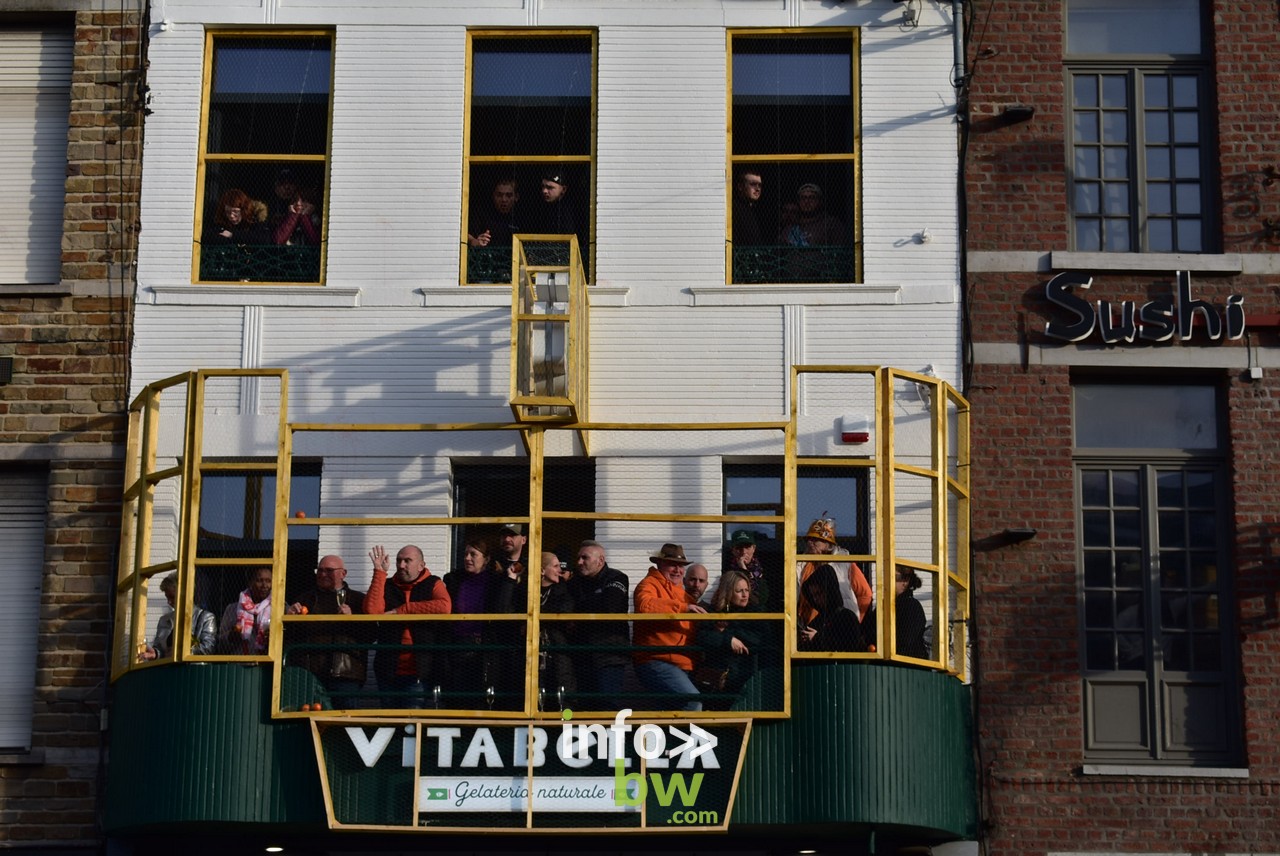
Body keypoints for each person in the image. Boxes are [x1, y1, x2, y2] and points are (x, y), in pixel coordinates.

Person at [442, 536, 524, 709]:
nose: (467, 558)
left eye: (473, 554)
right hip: (457, 646)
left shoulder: (496, 581)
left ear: (486, 559)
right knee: (457, 696)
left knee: (482, 696)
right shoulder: (453, 579)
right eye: (465, 554)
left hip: (484, 648)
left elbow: (501, 608)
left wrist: (509, 580)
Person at [365, 545, 451, 708]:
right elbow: (372, 611)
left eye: (407, 561)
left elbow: (444, 606)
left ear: (421, 565)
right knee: (390, 723)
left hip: (420, 671)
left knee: (412, 725)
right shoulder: (388, 584)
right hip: (388, 669)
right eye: (399, 561)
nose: (401, 565)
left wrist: (404, 610)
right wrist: (379, 573)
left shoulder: (433, 583)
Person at [285, 554, 367, 708]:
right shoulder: (305, 599)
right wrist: (290, 620)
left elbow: (371, 635)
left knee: (344, 723)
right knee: (308, 723)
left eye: (329, 571)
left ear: (343, 573)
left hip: (345, 675)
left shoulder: (358, 600)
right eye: (320, 570)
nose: (323, 575)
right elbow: (290, 637)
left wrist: (352, 619)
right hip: (309, 675)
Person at [633, 543, 706, 712]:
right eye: (672, 565)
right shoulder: (648, 584)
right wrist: (683, 608)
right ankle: (691, 739)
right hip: (656, 660)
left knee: (668, 712)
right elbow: (645, 605)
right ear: (659, 564)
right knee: (693, 702)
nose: (677, 570)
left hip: (683, 664)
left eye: (681, 566)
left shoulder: (684, 595)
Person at [564, 540, 629, 710]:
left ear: (600, 560)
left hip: (609, 657)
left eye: (585, 558)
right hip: (581, 656)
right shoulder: (573, 583)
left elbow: (610, 607)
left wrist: (578, 609)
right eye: (578, 558)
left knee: (607, 708)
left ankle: (610, 737)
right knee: (582, 708)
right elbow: (563, 609)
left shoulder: (617, 577)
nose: (579, 562)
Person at [695, 570, 767, 704]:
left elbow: (759, 639)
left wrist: (726, 631)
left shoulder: (756, 612)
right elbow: (703, 637)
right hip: (720, 677)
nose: (745, 595)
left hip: (749, 676)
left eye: (747, 590)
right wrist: (728, 640)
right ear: (727, 591)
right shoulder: (713, 612)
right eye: (739, 591)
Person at [797, 517, 873, 629]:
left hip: (838, 628)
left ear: (827, 544)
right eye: (808, 539)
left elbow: (865, 594)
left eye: (815, 539)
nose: (810, 542)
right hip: (809, 627)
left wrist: (854, 621)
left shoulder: (844, 563)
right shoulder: (801, 566)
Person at [139, 572, 217, 660]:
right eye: (167, 598)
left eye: (172, 597)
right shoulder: (164, 620)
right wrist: (156, 653)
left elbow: (209, 648)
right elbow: (159, 648)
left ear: (185, 594)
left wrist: (183, 652)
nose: (169, 602)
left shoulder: (206, 618)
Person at [537, 551, 577, 706]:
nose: (560, 570)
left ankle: (564, 728)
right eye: (555, 566)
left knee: (563, 701)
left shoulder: (564, 590)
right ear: (541, 570)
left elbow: (564, 611)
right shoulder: (524, 591)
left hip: (557, 654)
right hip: (531, 656)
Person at [798, 564, 865, 652]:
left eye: (819, 593)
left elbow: (849, 644)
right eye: (813, 595)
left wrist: (817, 638)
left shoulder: (847, 617)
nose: (816, 599)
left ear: (829, 590)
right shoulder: (818, 621)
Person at [218, 566, 273, 655]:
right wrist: (231, 637)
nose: (264, 585)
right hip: (237, 666)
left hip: (266, 665)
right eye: (260, 580)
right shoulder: (232, 609)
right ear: (250, 583)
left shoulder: (277, 608)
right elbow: (219, 645)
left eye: (268, 581)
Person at [779, 183, 847, 247]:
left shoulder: (831, 224)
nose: (807, 201)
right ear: (798, 201)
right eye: (803, 198)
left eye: (812, 198)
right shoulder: (790, 227)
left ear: (820, 201)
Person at [724, 529, 772, 609]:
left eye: (747, 547)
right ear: (733, 550)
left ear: (754, 548)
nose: (743, 552)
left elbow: (762, 598)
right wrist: (742, 568)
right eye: (739, 548)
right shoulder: (727, 570)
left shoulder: (762, 570)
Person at [203, 188, 270, 246]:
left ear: (244, 210)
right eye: (228, 212)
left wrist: (232, 235)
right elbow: (208, 235)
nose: (231, 216)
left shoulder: (256, 217)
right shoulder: (220, 218)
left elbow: (263, 239)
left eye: (235, 211)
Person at [467, 179, 521, 250]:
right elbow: (462, 232)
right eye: (499, 195)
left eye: (509, 195)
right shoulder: (482, 214)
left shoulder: (522, 218)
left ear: (516, 197)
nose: (504, 199)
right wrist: (474, 241)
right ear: (493, 196)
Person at [895, 566, 929, 659]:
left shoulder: (911, 606)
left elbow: (906, 639)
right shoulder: (883, 607)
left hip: (908, 666)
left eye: (893, 577)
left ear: (905, 582)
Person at [732, 170, 767, 246]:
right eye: (753, 184)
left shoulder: (760, 210)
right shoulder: (734, 208)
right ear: (740, 187)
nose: (757, 189)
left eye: (759, 185)